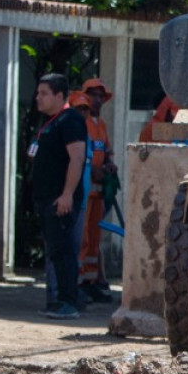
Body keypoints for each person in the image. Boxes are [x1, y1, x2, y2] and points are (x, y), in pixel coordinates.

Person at [29, 73, 89, 320]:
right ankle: (61, 299)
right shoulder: (50, 122)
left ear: (59, 95)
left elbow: (77, 158)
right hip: (46, 199)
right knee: (55, 250)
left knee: (64, 252)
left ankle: (69, 301)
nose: (38, 98)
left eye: (44, 93)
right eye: (38, 93)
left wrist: (67, 195)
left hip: (60, 200)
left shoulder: (70, 120)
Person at [74, 78, 117, 303]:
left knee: (93, 239)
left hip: (98, 191)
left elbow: (106, 151)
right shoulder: (80, 122)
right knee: (82, 238)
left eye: (101, 96)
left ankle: (91, 281)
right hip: (84, 188)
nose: (97, 100)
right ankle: (78, 282)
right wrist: (93, 170)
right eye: (93, 95)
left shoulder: (101, 125)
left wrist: (109, 164)